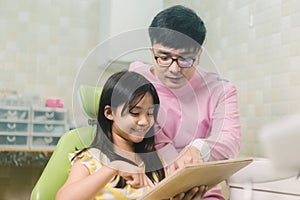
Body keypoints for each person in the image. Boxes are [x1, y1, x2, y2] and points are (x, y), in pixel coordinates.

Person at [130, 5, 241, 200]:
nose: (174, 69)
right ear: (151, 51)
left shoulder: (220, 89)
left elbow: (230, 140)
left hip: (200, 190)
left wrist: (198, 148)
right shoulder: (135, 80)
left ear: (198, 55)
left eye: (185, 59)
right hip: (144, 188)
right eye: (163, 57)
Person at [56, 71, 166, 200]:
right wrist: (114, 167)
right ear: (109, 113)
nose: (145, 122)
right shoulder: (92, 159)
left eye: (150, 113)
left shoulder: (155, 163)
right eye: (135, 113)